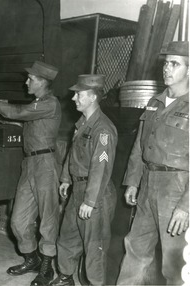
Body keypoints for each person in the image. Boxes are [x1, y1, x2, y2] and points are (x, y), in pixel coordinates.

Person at [0, 60, 61, 286]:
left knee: (48, 219)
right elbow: (22, 118)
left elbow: (22, 112)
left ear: (42, 82)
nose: (26, 82)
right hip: (30, 165)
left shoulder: (50, 103)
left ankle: (47, 268)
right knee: (17, 220)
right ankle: (31, 258)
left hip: (45, 164)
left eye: (31, 79)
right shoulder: (38, 105)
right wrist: (0, 114)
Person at [117, 41, 189, 285]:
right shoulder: (154, 102)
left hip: (176, 188)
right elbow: (139, 146)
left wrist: (185, 206)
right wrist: (133, 182)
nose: (166, 69)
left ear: (189, 70)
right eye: (166, 63)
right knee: (135, 248)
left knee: (174, 263)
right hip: (148, 184)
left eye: (175, 64)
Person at [51, 74, 118, 286]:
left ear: (92, 97)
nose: (73, 98)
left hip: (95, 194)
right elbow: (73, 153)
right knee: (67, 238)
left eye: (78, 94)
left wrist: (90, 201)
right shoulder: (83, 123)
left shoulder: (103, 129)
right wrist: (65, 179)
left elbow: (101, 167)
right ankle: (65, 277)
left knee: (94, 247)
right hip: (78, 188)